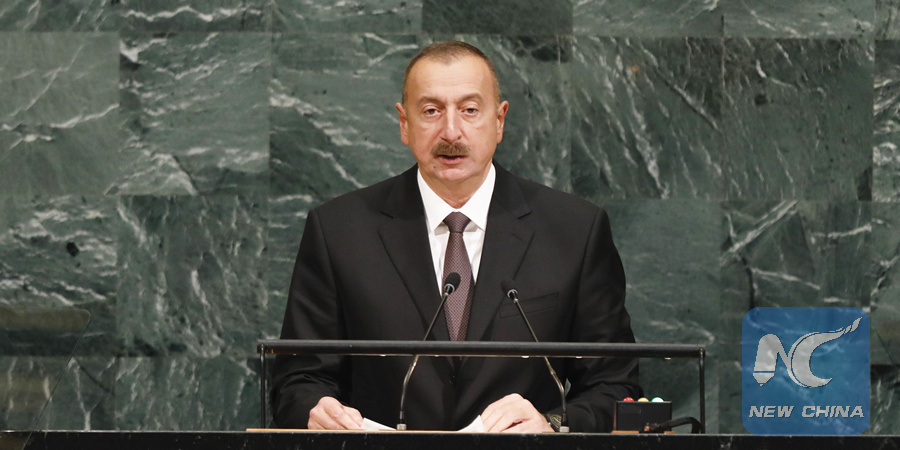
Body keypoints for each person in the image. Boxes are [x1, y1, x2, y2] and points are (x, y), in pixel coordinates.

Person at [271, 40, 641, 433]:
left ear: (499, 121)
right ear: (404, 123)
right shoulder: (339, 231)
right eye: (431, 111)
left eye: (469, 110)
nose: (451, 131)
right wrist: (316, 411)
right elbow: (297, 382)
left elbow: (615, 387)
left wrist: (551, 424)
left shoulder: (574, 230)